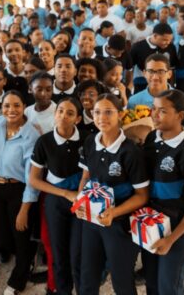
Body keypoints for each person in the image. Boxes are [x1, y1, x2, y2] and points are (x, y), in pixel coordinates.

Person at [76, 94, 149, 295]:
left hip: (119, 222)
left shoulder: (130, 151)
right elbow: (85, 177)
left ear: (120, 115)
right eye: (97, 112)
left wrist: (114, 213)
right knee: (88, 274)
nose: (102, 117)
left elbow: (142, 195)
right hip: (92, 220)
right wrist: (81, 201)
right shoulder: (91, 141)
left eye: (109, 112)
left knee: (121, 278)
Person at [141, 90, 184, 295]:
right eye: (153, 109)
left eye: (162, 111)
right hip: (152, 223)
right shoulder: (152, 138)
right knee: (151, 282)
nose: (154, 114)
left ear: (180, 116)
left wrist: (170, 240)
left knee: (169, 287)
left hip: (177, 227)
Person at [29, 97, 85, 295]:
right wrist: (65, 193)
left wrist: (79, 193)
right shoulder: (44, 142)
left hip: (82, 200)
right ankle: (62, 291)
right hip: (56, 200)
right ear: (55, 114)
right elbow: (34, 180)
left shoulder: (87, 139)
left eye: (70, 113)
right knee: (58, 253)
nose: (63, 116)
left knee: (78, 253)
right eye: (60, 111)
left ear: (78, 119)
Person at [0, 90, 40, 294]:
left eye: (16, 105)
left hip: (19, 189)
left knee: (21, 235)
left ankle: (18, 279)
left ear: (24, 107)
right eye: (7, 105)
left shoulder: (31, 135)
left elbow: (32, 177)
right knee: (0, 236)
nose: (11, 110)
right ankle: (28, 252)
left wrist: (25, 209)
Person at [24, 71, 56, 136]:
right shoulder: (27, 111)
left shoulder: (58, 112)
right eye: (39, 90)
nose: (44, 94)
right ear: (30, 89)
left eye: (48, 90)